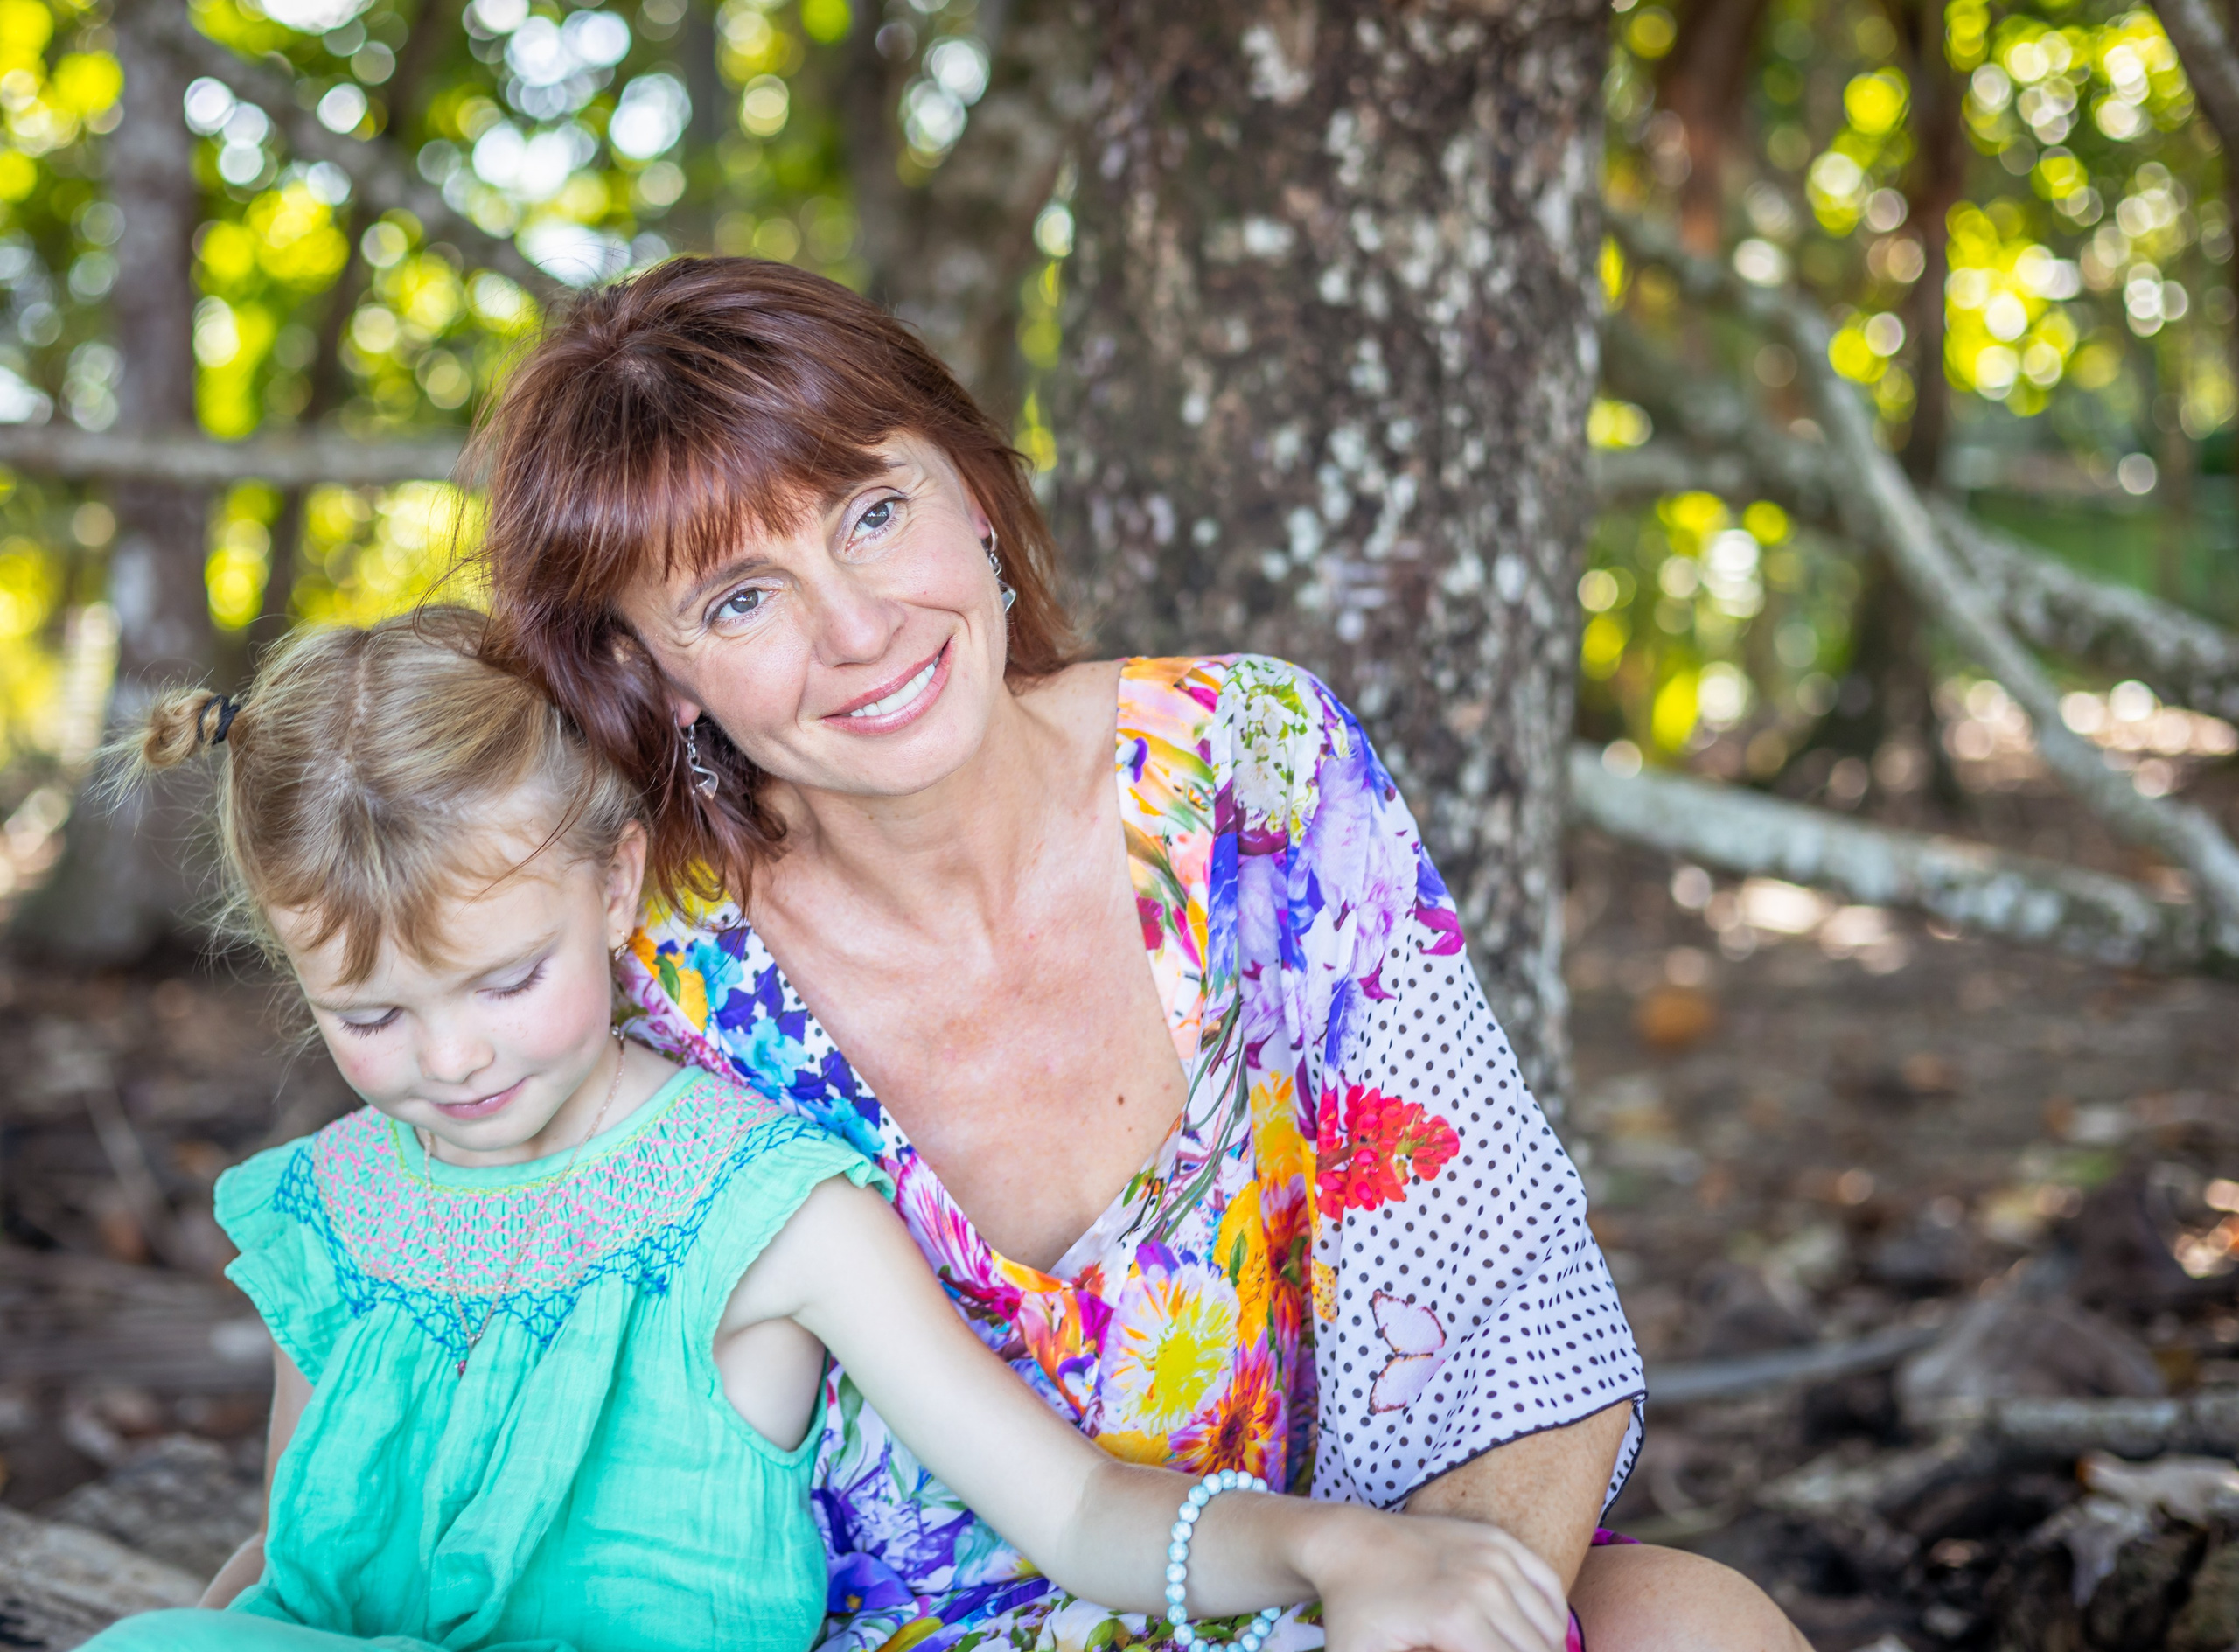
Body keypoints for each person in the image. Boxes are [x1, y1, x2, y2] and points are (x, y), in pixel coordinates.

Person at [478, 259, 1808, 1652]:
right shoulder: (643, 974)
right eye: (739, 600)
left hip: (1316, 1587)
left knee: (1699, 1624)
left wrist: (1434, 1626)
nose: (857, 628)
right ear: (653, 674)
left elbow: (1498, 1299)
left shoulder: (1252, 771)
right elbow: (459, 1399)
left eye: (875, 513)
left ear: (974, 493)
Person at [80, 609, 1574, 1652]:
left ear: (613, 890)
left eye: (505, 979)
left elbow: (1070, 1505)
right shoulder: (326, 1214)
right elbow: (292, 1565)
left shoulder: (767, 1201)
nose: (451, 1057)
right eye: (372, 1014)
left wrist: (1333, 1543)